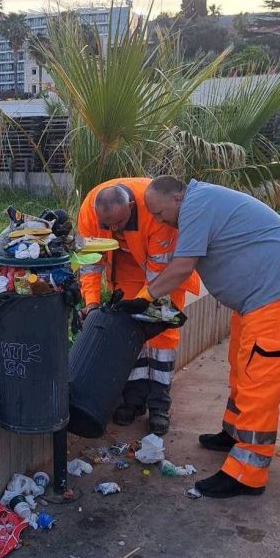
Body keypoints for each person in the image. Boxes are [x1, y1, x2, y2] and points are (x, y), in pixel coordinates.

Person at [134, 175, 280, 499]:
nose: (158, 220)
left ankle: (246, 474)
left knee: (258, 381)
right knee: (242, 366)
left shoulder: (195, 205)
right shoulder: (201, 200)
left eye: (157, 212)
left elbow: (182, 267)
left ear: (176, 198)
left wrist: (143, 297)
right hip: (264, 297)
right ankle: (234, 433)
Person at [77, 178, 200, 435]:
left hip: (162, 276)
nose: (113, 229)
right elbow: (89, 264)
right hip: (124, 271)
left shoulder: (157, 212)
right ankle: (133, 401)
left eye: (119, 224)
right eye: (107, 225)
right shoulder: (89, 209)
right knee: (126, 334)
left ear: (132, 206)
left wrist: (144, 301)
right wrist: (91, 304)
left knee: (161, 338)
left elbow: (159, 273)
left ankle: (159, 406)